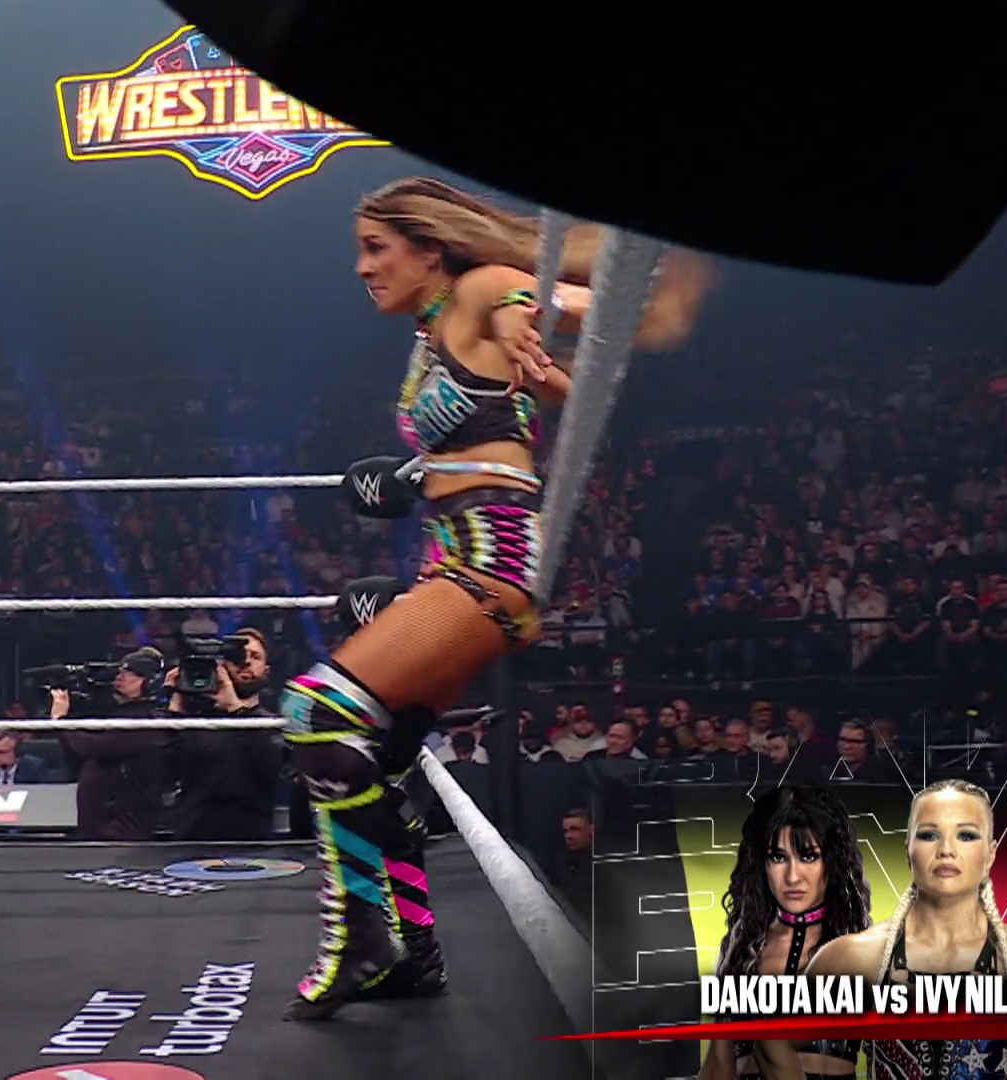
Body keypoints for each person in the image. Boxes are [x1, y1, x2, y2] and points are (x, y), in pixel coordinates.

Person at [281, 175, 710, 1019]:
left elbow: (556, 304)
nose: (362, 267)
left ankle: (364, 938)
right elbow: (516, 405)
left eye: (376, 248)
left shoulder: (479, 289)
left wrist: (526, 311)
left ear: (429, 250)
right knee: (384, 754)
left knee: (316, 712)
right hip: (454, 559)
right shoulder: (431, 333)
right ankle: (414, 954)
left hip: (489, 567)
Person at [759, 779, 1007, 1080]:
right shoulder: (857, 957)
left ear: (990, 854)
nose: (946, 850)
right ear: (908, 849)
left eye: (966, 835)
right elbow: (772, 1042)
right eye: (930, 835)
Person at [698, 786, 869, 1080]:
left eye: (808, 857)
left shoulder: (858, 944)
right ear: (761, 864)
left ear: (832, 862)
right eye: (778, 857)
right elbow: (717, 1067)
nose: (792, 876)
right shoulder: (741, 948)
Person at [166, 627, 282, 842]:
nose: (245, 662)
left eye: (255, 656)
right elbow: (164, 771)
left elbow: (271, 764)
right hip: (193, 842)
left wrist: (236, 708)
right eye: (238, 656)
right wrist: (177, 704)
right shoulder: (199, 721)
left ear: (266, 670)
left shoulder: (272, 724)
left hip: (251, 844)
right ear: (222, 666)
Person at [52, 647, 167, 841]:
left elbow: (94, 747)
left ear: (150, 682)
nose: (121, 676)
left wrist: (60, 721)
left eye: (132, 673)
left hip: (121, 828)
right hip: (97, 823)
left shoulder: (147, 722)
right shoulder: (116, 713)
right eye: (122, 671)